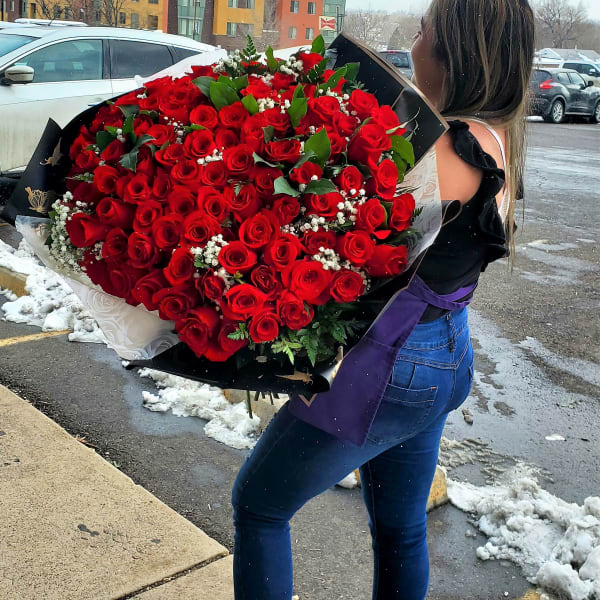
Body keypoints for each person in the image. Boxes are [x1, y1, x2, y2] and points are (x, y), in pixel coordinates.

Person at [231, 1, 535, 598]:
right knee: (400, 529)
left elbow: (344, 247)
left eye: (422, 31)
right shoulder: (496, 139)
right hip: (443, 353)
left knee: (259, 505)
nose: (414, 45)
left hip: (392, 362)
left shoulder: (446, 150)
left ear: (455, 51)